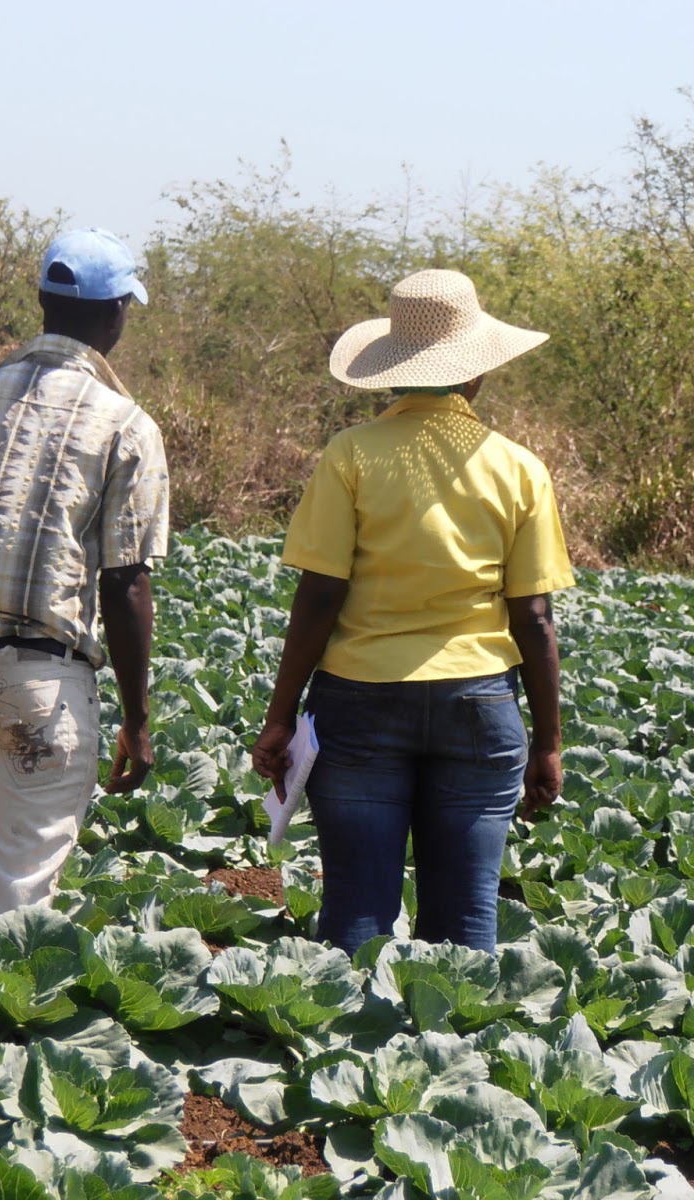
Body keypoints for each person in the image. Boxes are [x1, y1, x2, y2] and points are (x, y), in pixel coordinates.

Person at [252, 268, 574, 956]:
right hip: (479, 704)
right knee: (464, 928)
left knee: (358, 919)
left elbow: (319, 596)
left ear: (393, 371)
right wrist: (547, 740)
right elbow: (534, 618)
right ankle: (455, 1055)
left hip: (361, 702)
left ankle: (353, 1050)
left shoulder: (351, 456)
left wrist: (281, 715)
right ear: (477, 373)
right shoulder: (519, 468)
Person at [0, 228, 169, 929]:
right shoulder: (124, 424)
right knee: (22, 881)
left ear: (44, 302)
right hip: (41, 686)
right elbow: (125, 582)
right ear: (114, 317)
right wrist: (137, 720)